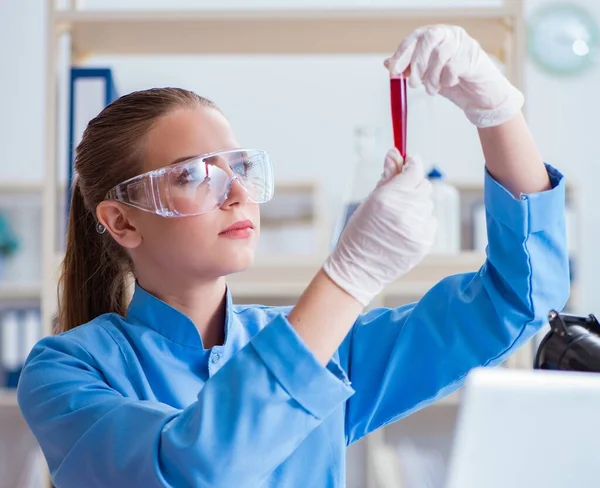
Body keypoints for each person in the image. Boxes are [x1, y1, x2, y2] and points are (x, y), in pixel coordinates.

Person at [17, 25, 569, 488]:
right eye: (193, 174)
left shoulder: (327, 350)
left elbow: (519, 299)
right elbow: (193, 467)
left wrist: (497, 111)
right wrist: (349, 278)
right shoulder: (65, 371)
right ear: (121, 221)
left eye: (239, 168)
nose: (235, 192)